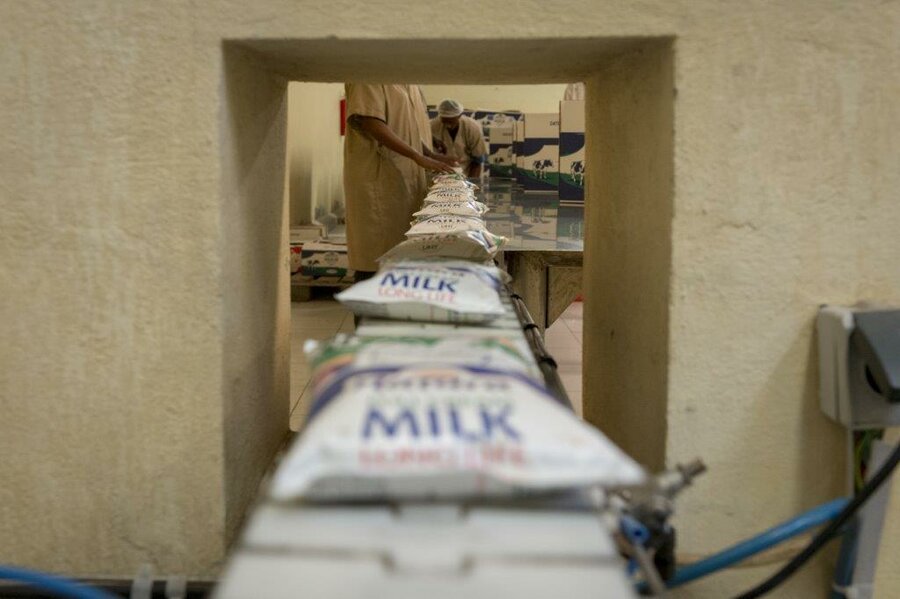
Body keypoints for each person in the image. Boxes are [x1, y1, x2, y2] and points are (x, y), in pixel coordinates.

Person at [343, 84, 457, 278]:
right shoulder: (368, 67)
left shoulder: (408, 83)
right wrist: (416, 156)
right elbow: (371, 122)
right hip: (378, 180)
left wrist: (429, 155)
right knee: (375, 258)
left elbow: (404, 130)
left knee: (399, 257)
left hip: (403, 181)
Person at [430, 99, 488, 179]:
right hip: (440, 175)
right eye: (445, 121)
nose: (448, 125)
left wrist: (471, 184)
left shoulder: (472, 128)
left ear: (459, 116)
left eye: (451, 122)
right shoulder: (432, 126)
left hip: (466, 172)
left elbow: (477, 160)